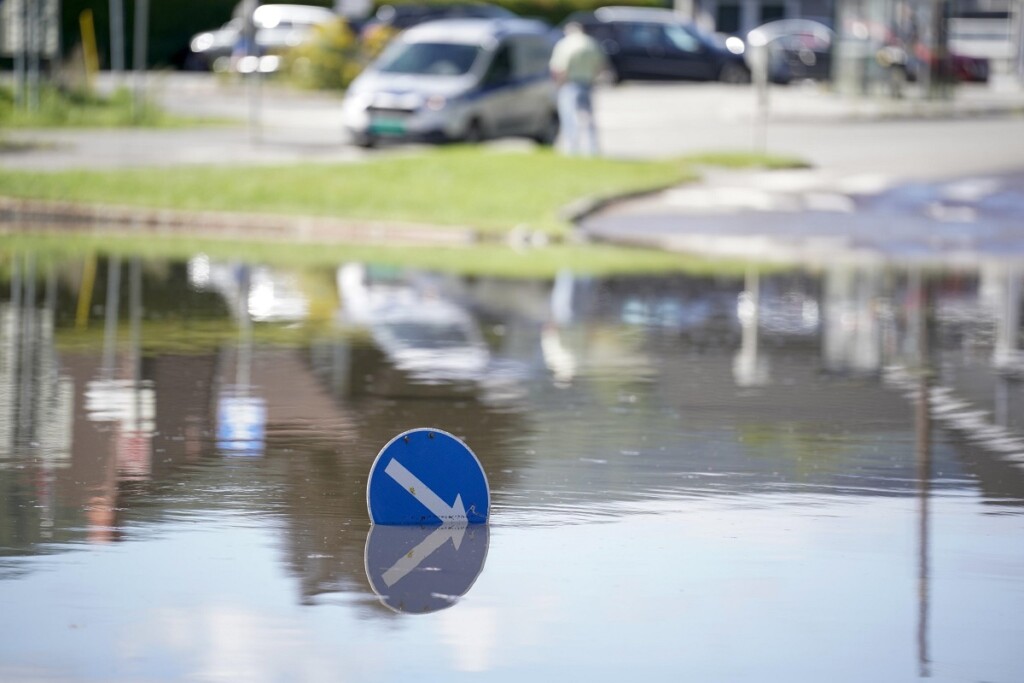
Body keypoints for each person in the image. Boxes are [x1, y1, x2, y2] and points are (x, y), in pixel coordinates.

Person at [549, 22, 605, 156]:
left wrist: (558, 84)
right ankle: (593, 149)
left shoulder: (565, 44)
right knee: (588, 118)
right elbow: (601, 65)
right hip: (587, 82)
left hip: (569, 84)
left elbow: (558, 68)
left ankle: (572, 149)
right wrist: (592, 77)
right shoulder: (591, 43)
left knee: (569, 118)